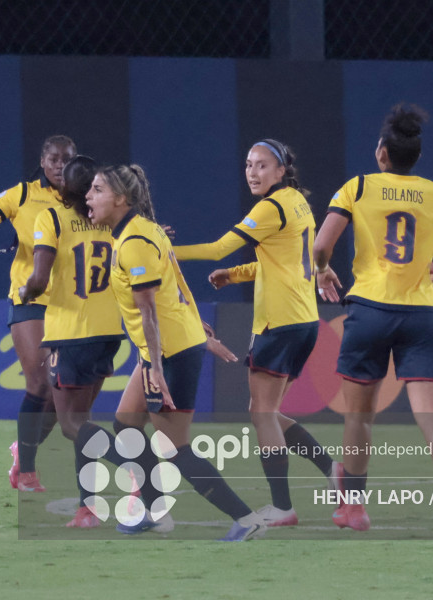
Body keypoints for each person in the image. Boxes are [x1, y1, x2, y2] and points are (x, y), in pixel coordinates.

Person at [312, 104, 433, 534]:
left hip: (370, 310)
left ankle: (354, 508)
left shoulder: (358, 187)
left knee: (359, 416)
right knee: (429, 410)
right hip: (422, 313)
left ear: (382, 153)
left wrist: (322, 270)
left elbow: (321, 246)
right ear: (417, 156)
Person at [85, 164, 266, 541]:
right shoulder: (142, 230)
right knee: (126, 426)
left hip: (168, 352)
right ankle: (155, 511)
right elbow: (177, 286)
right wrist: (196, 328)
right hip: (166, 348)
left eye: (98, 189)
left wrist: (156, 366)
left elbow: (149, 311)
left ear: (120, 199)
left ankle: (247, 518)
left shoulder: (134, 241)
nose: (89, 196)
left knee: (174, 447)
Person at [171, 139, 341, 527]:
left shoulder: (269, 207)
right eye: (248, 164)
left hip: (278, 322)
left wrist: (163, 250)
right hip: (303, 321)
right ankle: (333, 469)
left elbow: (218, 248)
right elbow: (281, 262)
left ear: (281, 170)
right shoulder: (297, 201)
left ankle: (283, 507)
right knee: (268, 412)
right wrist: (235, 275)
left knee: (262, 413)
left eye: (262, 165)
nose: (252, 172)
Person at [18, 155, 130, 527]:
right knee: (83, 421)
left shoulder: (51, 218)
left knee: (71, 425)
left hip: (71, 333)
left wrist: (26, 292)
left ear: (63, 187)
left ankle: (135, 465)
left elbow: (39, 279)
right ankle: (88, 509)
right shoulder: (109, 220)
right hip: (109, 331)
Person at [0, 135, 76, 492]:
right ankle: (26, 471)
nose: (60, 165)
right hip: (30, 297)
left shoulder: (83, 199)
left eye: (67, 159)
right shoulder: (24, 194)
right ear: (42, 161)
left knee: (61, 396)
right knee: (40, 383)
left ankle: (23, 451)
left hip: (71, 305)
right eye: (54, 159)